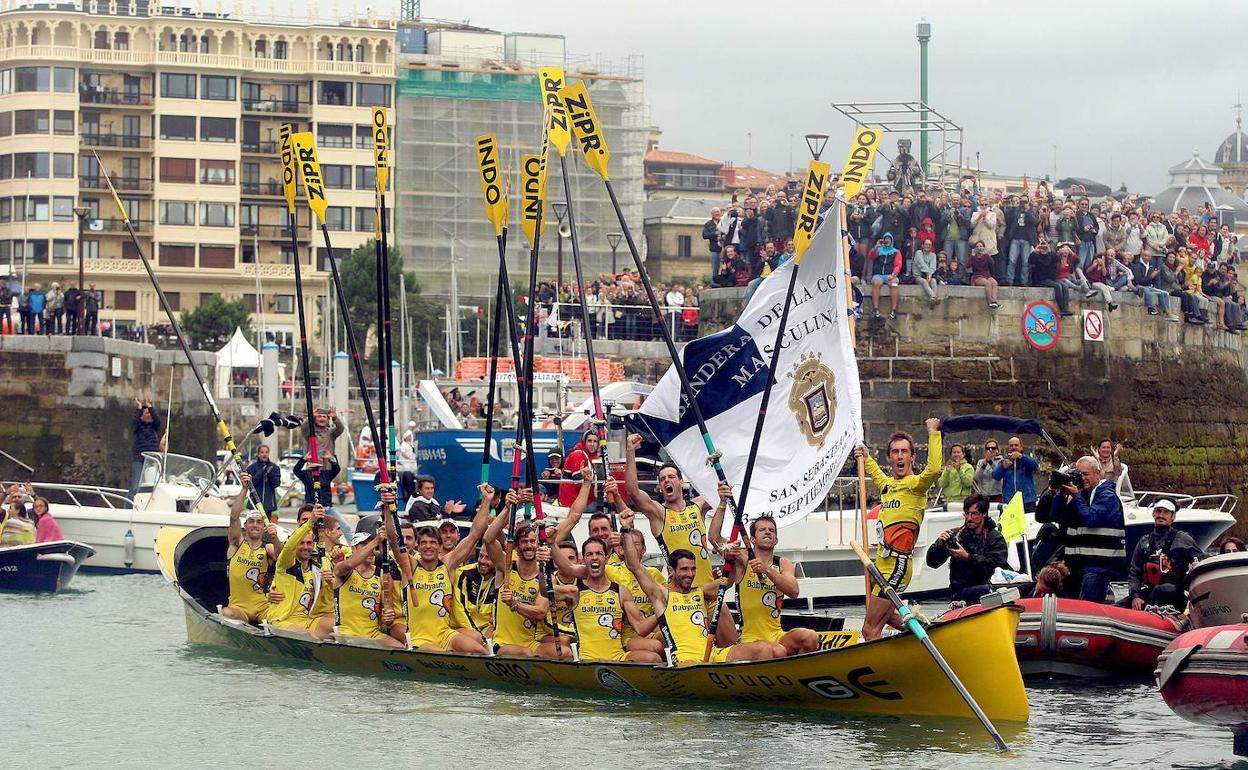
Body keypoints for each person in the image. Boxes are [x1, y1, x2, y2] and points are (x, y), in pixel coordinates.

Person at [622, 524, 774, 664]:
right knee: (694, 665)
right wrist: (626, 530)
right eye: (684, 569)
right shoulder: (661, 595)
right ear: (671, 571)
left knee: (763, 649)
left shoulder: (701, 593)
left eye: (693, 569)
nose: (690, 574)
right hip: (685, 661)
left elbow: (728, 580)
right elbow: (634, 566)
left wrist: (731, 559)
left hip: (711, 655)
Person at [854, 417, 942, 641]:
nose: (900, 456)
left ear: (912, 457)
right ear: (889, 458)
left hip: (898, 565)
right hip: (880, 564)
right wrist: (864, 455)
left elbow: (933, 470)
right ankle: (921, 630)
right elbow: (875, 474)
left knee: (869, 629)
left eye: (904, 452)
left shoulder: (916, 485)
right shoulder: (888, 486)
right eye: (895, 452)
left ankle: (875, 672)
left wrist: (933, 433)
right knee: (888, 616)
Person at [390, 483, 492, 653]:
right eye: (423, 543)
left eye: (432, 543)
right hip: (418, 638)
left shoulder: (448, 565)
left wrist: (487, 501)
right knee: (443, 655)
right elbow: (394, 540)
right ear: (417, 546)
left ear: (439, 546)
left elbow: (475, 534)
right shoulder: (411, 566)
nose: (428, 546)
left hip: (445, 634)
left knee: (480, 650)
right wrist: (389, 506)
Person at [548, 528, 662, 663]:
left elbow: (640, 627)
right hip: (587, 659)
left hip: (617, 657)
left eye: (599, 553)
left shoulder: (621, 591)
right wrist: (551, 544)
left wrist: (662, 609)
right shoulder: (574, 592)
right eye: (589, 554)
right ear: (583, 559)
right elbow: (547, 589)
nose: (594, 557)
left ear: (606, 558)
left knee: (653, 658)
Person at [715, 514, 819, 658]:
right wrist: (722, 503)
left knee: (810, 637)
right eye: (762, 529)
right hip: (749, 639)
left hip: (777, 635)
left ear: (776, 540)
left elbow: (794, 591)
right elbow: (714, 537)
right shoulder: (742, 558)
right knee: (777, 651)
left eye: (771, 530)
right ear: (752, 539)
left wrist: (767, 570)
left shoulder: (783, 564)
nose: (768, 532)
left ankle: (794, 671)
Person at [624, 433, 715, 587]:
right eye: (662, 479)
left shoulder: (698, 506)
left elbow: (723, 489)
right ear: (660, 487)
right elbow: (633, 492)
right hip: (680, 594)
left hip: (708, 586)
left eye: (671, 476)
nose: (666, 480)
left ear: (681, 481)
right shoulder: (659, 513)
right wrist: (630, 451)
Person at [482, 490, 550, 657]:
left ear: (538, 545)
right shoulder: (504, 567)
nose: (528, 545)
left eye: (532, 541)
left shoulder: (543, 576)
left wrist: (515, 604)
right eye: (524, 542)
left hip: (530, 643)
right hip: (503, 643)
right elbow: (488, 539)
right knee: (526, 654)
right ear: (517, 548)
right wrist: (507, 508)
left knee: (565, 653)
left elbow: (541, 612)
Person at [1054, 456, 1127, 603]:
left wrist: (1076, 496)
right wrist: (1059, 493)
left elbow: (1091, 519)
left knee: (1087, 609)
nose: (1082, 478)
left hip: (1099, 568)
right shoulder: (1081, 495)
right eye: (1079, 474)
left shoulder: (1107, 496)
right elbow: (1052, 516)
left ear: (1098, 473)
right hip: (1075, 567)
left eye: (1086, 474)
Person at [262, 505, 336, 639]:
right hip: (283, 620)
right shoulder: (285, 564)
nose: (305, 547)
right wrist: (310, 522)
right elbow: (289, 546)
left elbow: (327, 601)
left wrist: (330, 582)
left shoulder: (318, 567)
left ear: (313, 545)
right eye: (301, 543)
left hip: (309, 620)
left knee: (339, 627)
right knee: (307, 636)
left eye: (309, 543)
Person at [926, 494, 1009, 605]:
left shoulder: (995, 538)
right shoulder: (956, 536)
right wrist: (939, 545)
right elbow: (932, 563)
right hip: (960, 593)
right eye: (967, 513)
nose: (969, 518)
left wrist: (968, 557)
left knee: (991, 590)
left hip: (988, 590)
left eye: (974, 514)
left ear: (984, 514)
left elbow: (997, 566)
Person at [332, 530, 404, 649]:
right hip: (347, 633)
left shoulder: (382, 575)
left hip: (373, 634)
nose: (370, 549)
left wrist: (388, 617)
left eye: (372, 546)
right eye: (364, 545)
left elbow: (387, 613)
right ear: (354, 549)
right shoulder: (343, 568)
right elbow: (350, 564)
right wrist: (376, 541)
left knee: (401, 650)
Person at [220, 473, 277, 624]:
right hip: (239, 608)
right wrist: (244, 488)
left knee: (279, 618)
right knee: (226, 612)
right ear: (245, 526)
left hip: (263, 607)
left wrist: (275, 537)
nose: (255, 525)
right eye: (251, 521)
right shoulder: (236, 544)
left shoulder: (268, 548)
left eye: (259, 522)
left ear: (264, 527)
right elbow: (234, 517)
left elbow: (284, 557)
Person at [1123, 499, 1199, 612]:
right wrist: (1135, 597)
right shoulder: (1144, 542)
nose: (1161, 515)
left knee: (1163, 589)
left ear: (1173, 517)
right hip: (1151, 592)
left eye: (1166, 512)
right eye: (1158, 511)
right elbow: (1135, 572)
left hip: (1175, 594)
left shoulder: (1184, 539)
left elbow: (1199, 564)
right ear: (1153, 514)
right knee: (1120, 605)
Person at [292, 449, 351, 538]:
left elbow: (337, 469)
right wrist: (304, 459)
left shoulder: (326, 474)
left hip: (327, 508)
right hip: (312, 508)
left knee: (346, 527)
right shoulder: (306, 474)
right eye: (314, 460)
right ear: (309, 463)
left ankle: (353, 548)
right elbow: (296, 470)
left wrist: (331, 458)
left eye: (319, 460)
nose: (317, 462)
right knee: (313, 531)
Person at [128, 395, 162, 503]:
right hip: (139, 459)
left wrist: (150, 407)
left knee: (152, 487)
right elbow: (133, 423)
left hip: (152, 460)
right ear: (141, 416)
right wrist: (139, 408)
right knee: (135, 487)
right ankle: (129, 507)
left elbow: (158, 420)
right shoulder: (138, 428)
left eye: (150, 413)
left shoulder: (154, 427)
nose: (149, 415)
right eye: (147, 413)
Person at [992, 436, 1039, 511]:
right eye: (1011, 445)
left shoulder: (1026, 459)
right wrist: (1002, 467)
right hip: (1009, 500)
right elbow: (995, 476)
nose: (1013, 447)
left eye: (1016, 445)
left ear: (1021, 447)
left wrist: (1021, 457)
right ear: (1008, 448)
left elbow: (1035, 466)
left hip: (1027, 500)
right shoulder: (1004, 461)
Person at [559, 429, 602, 509]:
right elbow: (580, 482)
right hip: (572, 502)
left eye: (595, 441)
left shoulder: (591, 457)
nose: (592, 444)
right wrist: (597, 497)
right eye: (589, 441)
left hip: (581, 499)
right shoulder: (578, 455)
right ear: (584, 442)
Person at [866, 232, 902, 319]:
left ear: (891, 241)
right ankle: (875, 308)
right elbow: (870, 256)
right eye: (885, 239)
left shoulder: (896, 252)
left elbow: (898, 265)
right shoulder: (879, 250)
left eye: (888, 239)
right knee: (876, 283)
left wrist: (893, 275)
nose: (887, 241)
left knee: (894, 285)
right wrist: (876, 246)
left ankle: (894, 309)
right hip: (879, 275)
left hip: (890, 275)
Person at [245, 444, 282, 514]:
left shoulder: (274, 467)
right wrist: (262, 471)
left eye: (266, 452)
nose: (264, 454)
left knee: (266, 524)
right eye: (262, 452)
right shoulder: (252, 467)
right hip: (254, 503)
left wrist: (269, 474)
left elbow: (277, 484)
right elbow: (250, 483)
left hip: (268, 505)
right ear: (258, 454)